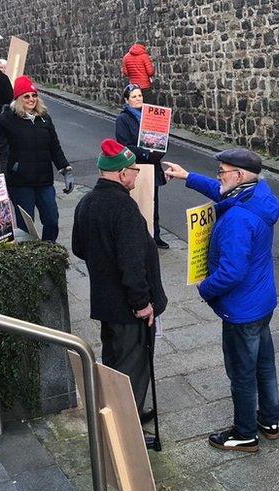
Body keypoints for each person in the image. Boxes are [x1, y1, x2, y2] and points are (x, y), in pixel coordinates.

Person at [162, 149, 279, 453]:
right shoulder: (259, 195)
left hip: (241, 310)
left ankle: (244, 433)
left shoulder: (238, 219)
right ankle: (268, 420)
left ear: (238, 176)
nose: (218, 177)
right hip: (261, 301)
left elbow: (232, 271)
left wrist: (205, 288)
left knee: (242, 373)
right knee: (264, 363)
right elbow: (222, 193)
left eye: (222, 171)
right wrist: (187, 176)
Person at [72, 139, 167, 447]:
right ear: (121, 174)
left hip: (105, 302)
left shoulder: (87, 202)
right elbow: (131, 262)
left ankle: (123, 415)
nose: (137, 175)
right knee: (132, 367)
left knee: (114, 361)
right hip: (128, 308)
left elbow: (78, 247)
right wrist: (142, 305)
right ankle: (126, 432)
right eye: (134, 170)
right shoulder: (123, 207)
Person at [0, 75, 71, 243]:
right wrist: (3, 177)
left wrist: (65, 169)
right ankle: (29, 256)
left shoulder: (44, 118)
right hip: (21, 182)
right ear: (18, 98)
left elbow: (54, 146)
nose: (31, 99)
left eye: (34, 95)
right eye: (27, 96)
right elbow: (1, 150)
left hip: (44, 180)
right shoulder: (6, 120)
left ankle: (48, 248)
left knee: (52, 219)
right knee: (25, 226)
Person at [115, 84, 170, 249]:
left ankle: (155, 235)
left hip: (153, 165)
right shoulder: (123, 119)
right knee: (137, 203)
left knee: (153, 202)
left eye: (139, 95)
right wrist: (145, 153)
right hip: (135, 166)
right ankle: (137, 238)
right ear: (126, 100)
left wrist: (160, 151)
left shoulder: (151, 115)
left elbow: (160, 137)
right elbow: (124, 145)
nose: (138, 99)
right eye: (134, 96)